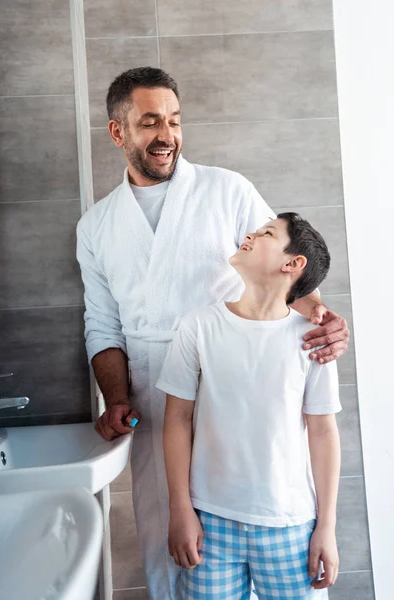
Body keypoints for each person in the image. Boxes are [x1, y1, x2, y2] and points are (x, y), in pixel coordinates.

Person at [76, 67, 349, 600]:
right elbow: (101, 322)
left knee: (262, 498)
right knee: (169, 529)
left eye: (174, 121)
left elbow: (290, 271)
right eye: (150, 122)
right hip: (156, 388)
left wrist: (323, 317)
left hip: (240, 370)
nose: (166, 135)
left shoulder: (227, 189)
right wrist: (116, 397)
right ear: (118, 132)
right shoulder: (97, 226)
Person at [158, 213, 341, 599]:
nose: (250, 235)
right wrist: (180, 509)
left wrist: (326, 526)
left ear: (292, 264)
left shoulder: (311, 340)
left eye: (267, 234)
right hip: (209, 521)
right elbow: (177, 420)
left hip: (290, 524)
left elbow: (323, 432)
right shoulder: (199, 326)